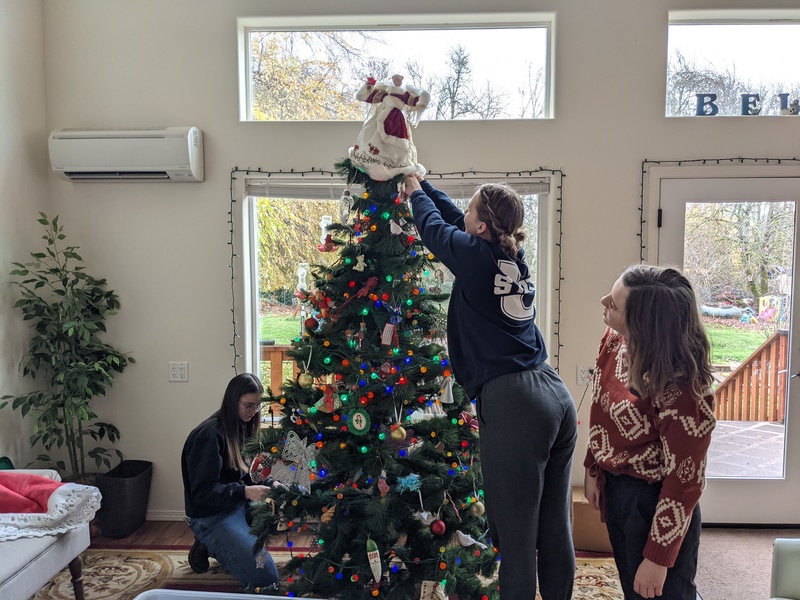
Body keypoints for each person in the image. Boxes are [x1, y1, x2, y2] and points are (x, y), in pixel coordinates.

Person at [404, 175, 578, 600]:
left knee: (517, 538)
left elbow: (435, 229)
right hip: (553, 392)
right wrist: (424, 184)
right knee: (554, 524)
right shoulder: (507, 256)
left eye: (472, 210)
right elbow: (451, 218)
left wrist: (412, 194)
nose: (464, 213)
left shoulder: (475, 258)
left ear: (481, 226)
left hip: (516, 402)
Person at [583, 265, 716, 600]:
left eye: (613, 304)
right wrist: (594, 466)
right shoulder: (616, 340)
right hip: (621, 495)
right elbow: (601, 405)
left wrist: (658, 558)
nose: (603, 302)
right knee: (632, 588)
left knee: (664, 592)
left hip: (655, 503)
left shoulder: (683, 388)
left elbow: (685, 481)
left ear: (644, 325)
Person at [181, 373, 279, 594]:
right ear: (232, 400)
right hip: (211, 516)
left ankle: (217, 545)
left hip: (235, 506)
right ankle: (210, 540)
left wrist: (273, 485)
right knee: (266, 577)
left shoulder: (241, 426)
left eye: (256, 407)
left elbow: (245, 475)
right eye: (248, 405)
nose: (253, 412)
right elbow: (202, 494)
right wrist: (245, 492)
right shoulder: (208, 436)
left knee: (284, 501)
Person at [349, 74, 430, 181]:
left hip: (396, 120)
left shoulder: (404, 94)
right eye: (394, 79)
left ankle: (393, 162)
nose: (396, 81)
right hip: (380, 117)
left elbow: (416, 102)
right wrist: (368, 87)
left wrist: (423, 98)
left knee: (397, 144)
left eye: (398, 79)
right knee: (373, 136)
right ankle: (376, 158)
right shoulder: (385, 91)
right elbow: (367, 97)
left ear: (402, 79)